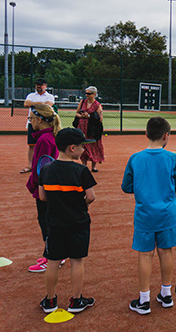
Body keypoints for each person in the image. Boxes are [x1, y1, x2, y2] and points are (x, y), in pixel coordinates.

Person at [121, 117, 176, 315]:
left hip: (145, 215)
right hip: (167, 214)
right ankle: (166, 294)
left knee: (145, 254)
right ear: (166, 136)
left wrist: (143, 188)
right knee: (166, 252)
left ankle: (144, 300)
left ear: (146, 134)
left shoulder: (135, 158)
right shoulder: (172, 158)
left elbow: (126, 186)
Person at [38, 128, 97, 314]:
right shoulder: (81, 170)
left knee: (53, 261)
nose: (84, 150)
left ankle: (49, 300)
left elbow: (42, 196)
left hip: (54, 223)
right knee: (77, 260)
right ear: (72, 148)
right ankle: (76, 300)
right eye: (82, 147)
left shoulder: (46, 169)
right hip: (78, 222)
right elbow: (91, 196)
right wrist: (81, 204)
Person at [26, 104, 62, 273]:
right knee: (49, 221)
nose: (30, 121)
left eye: (31, 118)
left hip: (46, 189)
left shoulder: (44, 140)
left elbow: (41, 169)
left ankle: (51, 257)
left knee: (46, 222)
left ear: (39, 120)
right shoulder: (50, 137)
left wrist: (33, 185)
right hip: (51, 188)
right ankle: (53, 254)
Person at [21, 78, 55, 173]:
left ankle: (46, 165)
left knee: (45, 144)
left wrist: (33, 104)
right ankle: (30, 166)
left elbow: (48, 105)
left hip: (44, 124)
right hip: (32, 123)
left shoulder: (50, 96)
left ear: (45, 86)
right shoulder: (31, 95)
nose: (38, 86)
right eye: (37, 85)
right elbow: (26, 104)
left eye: (41, 85)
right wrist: (40, 103)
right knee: (31, 145)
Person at [74, 86, 104, 172]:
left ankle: (94, 166)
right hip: (82, 128)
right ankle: (84, 165)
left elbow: (100, 119)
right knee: (83, 146)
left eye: (89, 93)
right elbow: (77, 113)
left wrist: (89, 116)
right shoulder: (82, 102)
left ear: (94, 94)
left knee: (93, 146)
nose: (86, 95)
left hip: (92, 130)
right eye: (86, 93)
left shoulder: (97, 105)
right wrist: (82, 116)